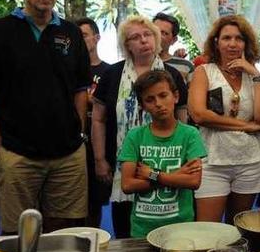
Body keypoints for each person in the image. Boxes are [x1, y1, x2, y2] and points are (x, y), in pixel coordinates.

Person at [0, 0, 90, 234]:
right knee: (19, 233)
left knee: (66, 231)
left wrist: (78, 132)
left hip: (68, 155)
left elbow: (81, 88)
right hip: (16, 153)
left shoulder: (70, 33)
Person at [92, 15, 189, 238]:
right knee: (126, 233)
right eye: (135, 37)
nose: (143, 40)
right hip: (123, 167)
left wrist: (183, 158)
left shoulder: (173, 75)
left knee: (168, 234)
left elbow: (182, 118)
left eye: (147, 35)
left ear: (156, 39)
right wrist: (99, 159)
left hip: (167, 163)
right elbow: (98, 119)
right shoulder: (112, 74)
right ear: (127, 46)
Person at [189, 16, 260, 222]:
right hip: (212, 160)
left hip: (251, 162)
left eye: (239, 38)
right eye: (227, 38)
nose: (233, 43)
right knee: (208, 231)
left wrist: (254, 72)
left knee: (238, 229)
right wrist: (245, 125)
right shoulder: (204, 71)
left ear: (246, 43)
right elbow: (199, 114)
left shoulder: (253, 76)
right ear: (216, 42)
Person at [118, 70, 205, 238]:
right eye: (150, 100)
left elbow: (194, 181)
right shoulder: (135, 136)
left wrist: (152, 174)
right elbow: (127, 185)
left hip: (181, 228)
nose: (158, 103)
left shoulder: (190, 134)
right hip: (142, 229)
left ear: (176, 96)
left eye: (163, 95)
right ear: (142, 106)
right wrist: (175, 177)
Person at [75, 17, 111, 228]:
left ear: (97, 38)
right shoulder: (69, 71)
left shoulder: (110, 72)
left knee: (94, 205)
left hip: (98, 146)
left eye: (85, 35)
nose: (81, 40)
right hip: (73, 146)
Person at [153, 12, 195, 84]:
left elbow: (193, 94)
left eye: (164, 33)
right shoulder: (137, 63)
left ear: (173, 40)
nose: (157, 36)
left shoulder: (186, 66)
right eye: (154, 31)